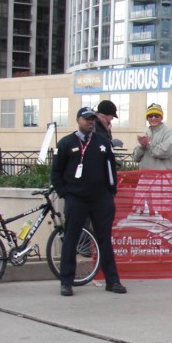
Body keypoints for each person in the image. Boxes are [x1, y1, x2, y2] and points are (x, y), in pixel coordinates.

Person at [50, 107, 126, 296]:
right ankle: (66, 282)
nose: (90, 122)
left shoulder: (102, 142)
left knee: (104, 240)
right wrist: (65, 193)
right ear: (78, 120)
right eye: (86, 119)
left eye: (92, 119)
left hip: (101, 199)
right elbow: (56, 172)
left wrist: (111, 191)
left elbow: (111, 169)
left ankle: (113, 281)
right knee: (71, 239)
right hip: (76, 199)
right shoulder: (67, 143)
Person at [131, 103, 172, 214]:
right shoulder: (145, 133)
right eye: (150, 116)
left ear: (161, 117)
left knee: (160, 212)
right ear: (147, 118)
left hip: (161, 178)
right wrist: (142, 146)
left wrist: (148, 144)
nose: (153, 118)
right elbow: (136, 157)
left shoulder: (168, 133)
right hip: (145, 177)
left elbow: (164, 152)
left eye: (156, 115)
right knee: (140, 211)